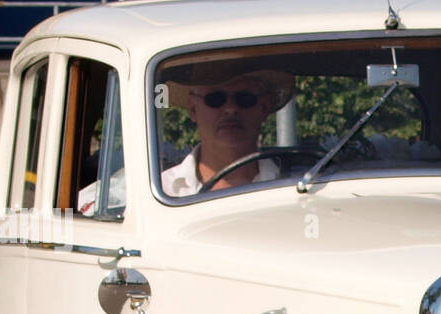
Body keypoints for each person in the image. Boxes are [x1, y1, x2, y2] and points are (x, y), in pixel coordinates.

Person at [76, 61, 294, 214]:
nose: (230, 108)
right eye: (215, 99)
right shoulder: (158, 189)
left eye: (244, 98)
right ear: (193, 109)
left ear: (264, 107)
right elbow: (80, 207)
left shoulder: (296, 186)